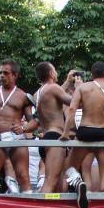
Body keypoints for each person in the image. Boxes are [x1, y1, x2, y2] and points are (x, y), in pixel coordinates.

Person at [60, 61, 104, 208]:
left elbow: (71, 109)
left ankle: (79, 183)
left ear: (92, 75)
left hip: (85, 132)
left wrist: (66, 132)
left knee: (69, 166)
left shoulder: (83, 87)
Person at [0, 59, 36, 194]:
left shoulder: (23, 96)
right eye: (0, 73)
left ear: (14, 75)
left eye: (5, 73)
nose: (1, 76)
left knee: (23, 176)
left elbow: (34, 122)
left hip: (17, 138)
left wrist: (23, 128)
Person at [32, 62, 74, 193]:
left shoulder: (38, 93)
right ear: (51, 73)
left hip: (45, 139)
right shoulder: (54, 88)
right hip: (55, 139)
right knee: (50, 182)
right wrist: (79, 87)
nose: (56, 73)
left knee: (59, 184)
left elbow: (54, 96)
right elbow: (73, 102)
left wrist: (67, 82)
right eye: (54, 69)